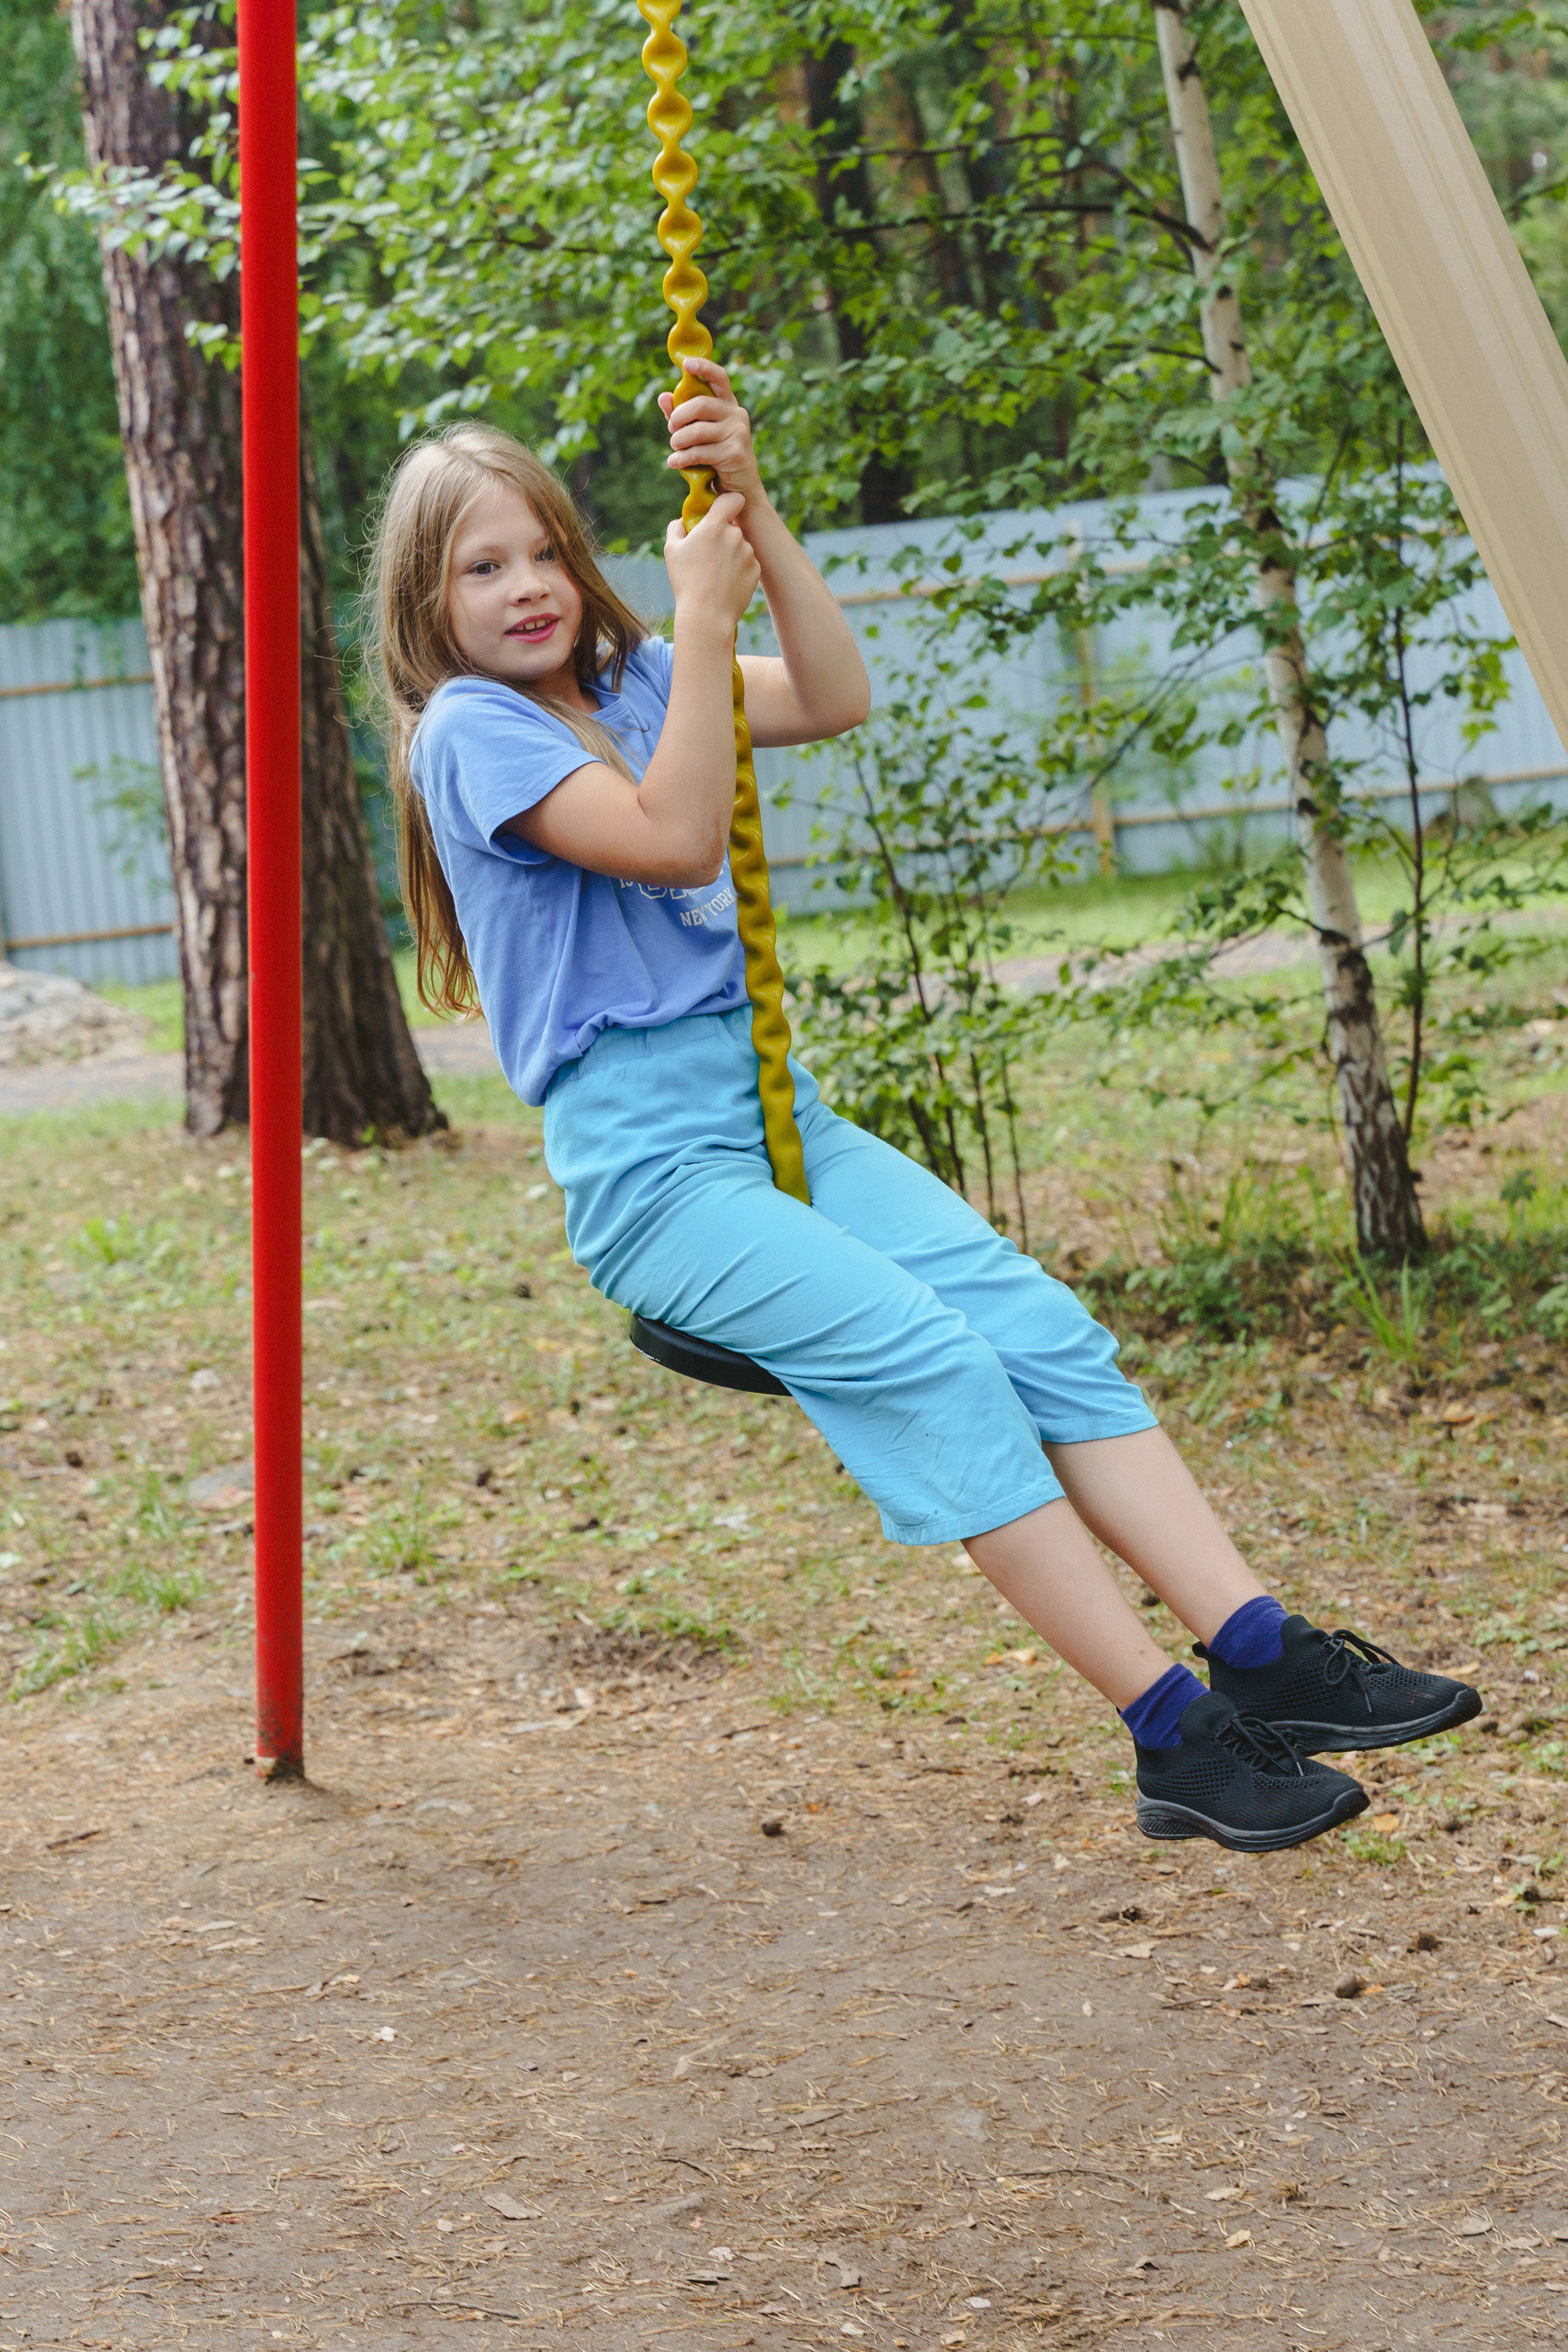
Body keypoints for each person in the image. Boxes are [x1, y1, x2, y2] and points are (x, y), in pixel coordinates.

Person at [367, 356, 1481, 1853]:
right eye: (478, 567)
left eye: (545, 550)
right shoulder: (471, 733)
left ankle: (1265, 1647)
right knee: (941, 1369)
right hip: (657, 1176)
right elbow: (678, 836)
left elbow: (833, 694)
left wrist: (751, 510)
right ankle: (1179, 1740)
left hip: (778, 1118)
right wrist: (699, 619)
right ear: (425, 609)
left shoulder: (633, 679)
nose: (525, 587)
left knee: (1039, 1333)